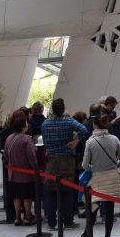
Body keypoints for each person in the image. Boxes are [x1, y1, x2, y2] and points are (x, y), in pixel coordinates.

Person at [76, 113, 120, 237]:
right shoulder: (115, 139)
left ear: (95, 125)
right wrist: (114, 166)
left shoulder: (91, 141)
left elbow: (84, 165)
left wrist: (94, 168)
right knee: (109, 211)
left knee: (92, 208)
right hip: (112, 178)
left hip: (97, 178)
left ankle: (85, 236)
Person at [40, 98, 88, 230]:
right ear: (63, 109)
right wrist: (76, 141)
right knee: (66, 190)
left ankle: (51, 220)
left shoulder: (45, 124)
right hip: (67, 159)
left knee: (50, 190)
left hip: (52, 160)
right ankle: (67, 220)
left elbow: (44, 141)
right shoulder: (68, 121)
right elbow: (83, 129)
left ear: (52, 110)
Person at [3, 109, 38, 225]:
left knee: (16, 196)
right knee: (27, 196)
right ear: (23, 126)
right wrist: (35, 168)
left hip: (12, 174)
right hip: (26, 174)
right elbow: (32, 157)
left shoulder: (9, 138)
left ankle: (17, 217)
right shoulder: (27, 139)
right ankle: (28, 216)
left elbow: (6, 156)